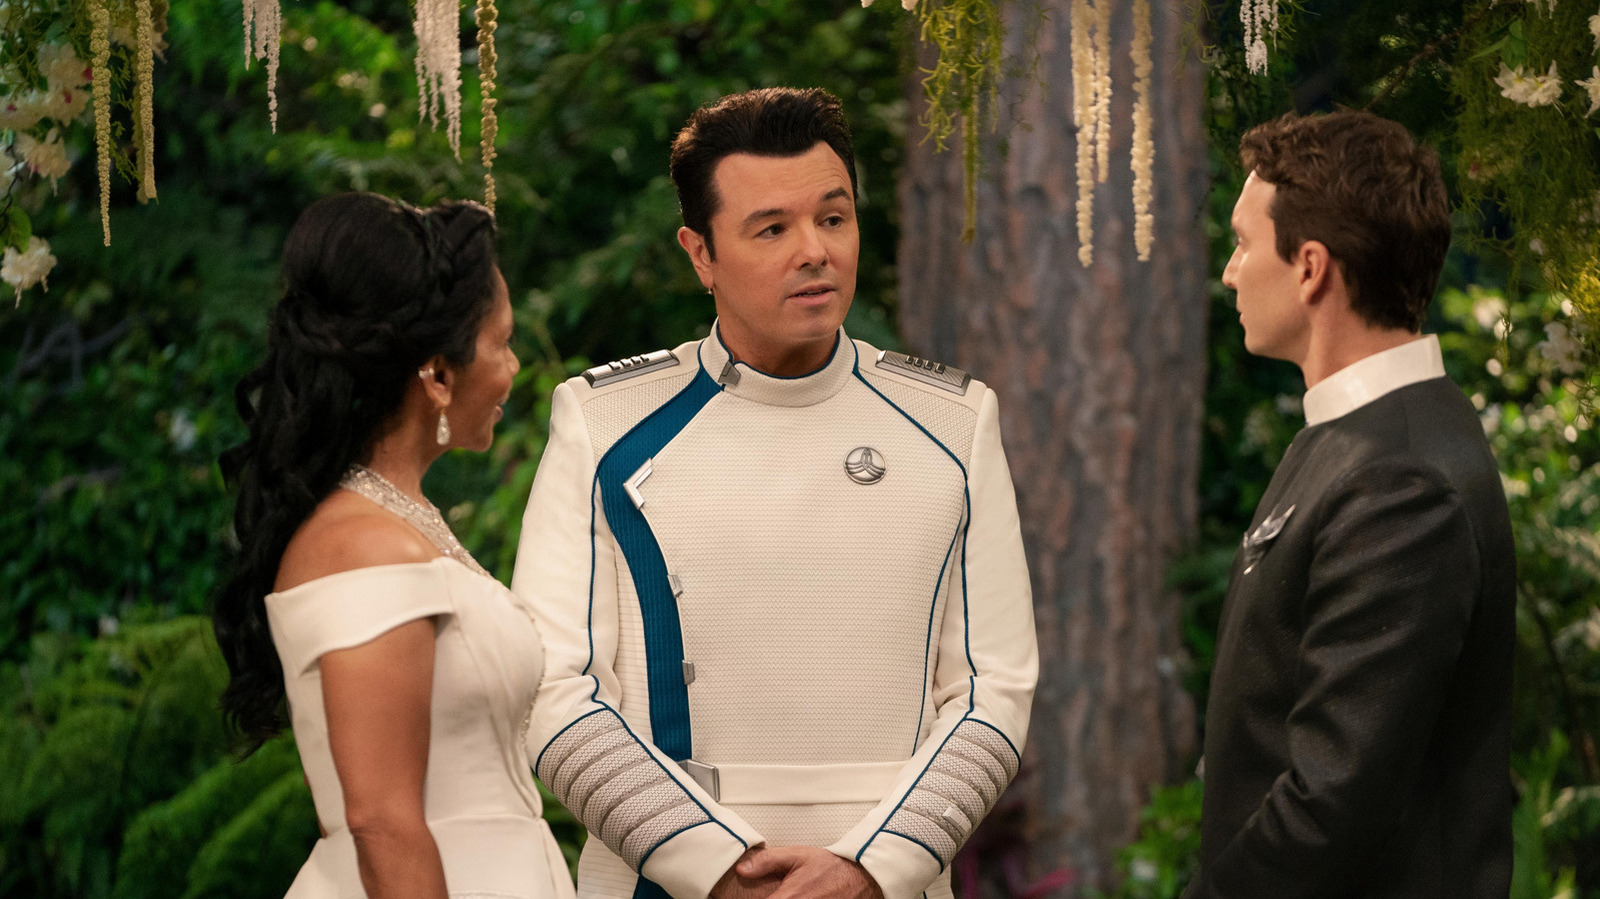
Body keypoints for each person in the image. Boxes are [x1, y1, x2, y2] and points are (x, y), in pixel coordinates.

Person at [513, 87, 1037, 899]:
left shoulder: (953, 423)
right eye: (772, 229)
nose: (814, 251)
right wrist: (717, 867)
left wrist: (870, 866)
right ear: (700, 254)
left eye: (833, 218)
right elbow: (555, 690)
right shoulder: (604, 422)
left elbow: (991, 692)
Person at [1183, 111, 1516, 898]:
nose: (1229, 272)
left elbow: (1331, 802)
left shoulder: (1400, 482)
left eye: (1242, 243)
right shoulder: (1364, 435)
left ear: (1310, 268)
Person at [213, 192, 574, 899]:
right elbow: (382, 822)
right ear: (437, 375)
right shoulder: (360, 546)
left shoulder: (400, 522)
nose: (514, 366)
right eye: (502, 342)